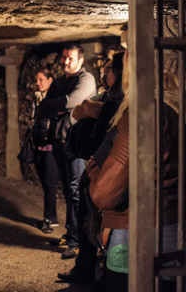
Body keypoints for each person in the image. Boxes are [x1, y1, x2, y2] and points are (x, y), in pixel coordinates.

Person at [88, 55, 180, 292]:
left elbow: (104, 194)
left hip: (137, 235)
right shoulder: (177, 108)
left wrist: (95, 172)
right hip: (175, 228)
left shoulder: (144, 113)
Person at [58, 52, 124, 285]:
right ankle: (85, 268)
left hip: (109, 168)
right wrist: (90, 106)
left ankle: (105, 273)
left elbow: (102, 121)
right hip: (95, 164)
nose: (105, 73)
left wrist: (93, 109)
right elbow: (77, 111)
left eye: (109, 69)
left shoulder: (121, 99)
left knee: (106, 221)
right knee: (88, 217)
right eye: (104, 69)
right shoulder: (107, 95)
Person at [36, 43, 96, 259]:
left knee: (76, 192)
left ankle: (77, 241)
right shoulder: (61, 81)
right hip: (59, 141)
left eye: (70, 58)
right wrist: (60, 106)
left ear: (80, 60)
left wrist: (60, 105)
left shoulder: (86, 79)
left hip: (76, 143)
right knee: (69, 193)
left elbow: (73, 101)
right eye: (64, 58)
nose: (66, 62)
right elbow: (45, 105)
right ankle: (71, 232)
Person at [31, 68, 60, 233]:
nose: (38, 83)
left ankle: (51, 220)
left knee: (49, 184)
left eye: (41, 79)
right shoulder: (37, 98)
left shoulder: (55, 100)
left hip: (51, 149)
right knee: (45, 183)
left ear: (50, 80)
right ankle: (48, 217)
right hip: (39, 147)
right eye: (37, 79)